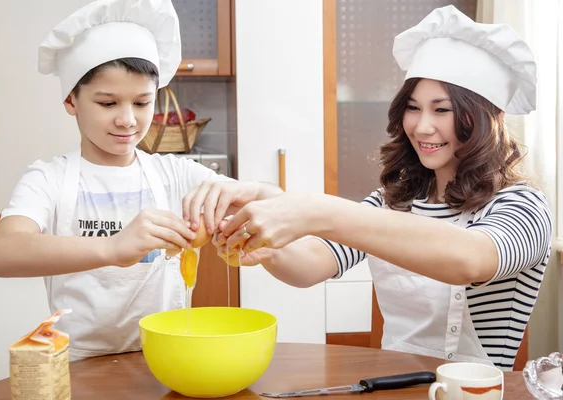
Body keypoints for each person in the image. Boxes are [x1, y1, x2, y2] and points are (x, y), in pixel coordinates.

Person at [184, 5, 554, 371]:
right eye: (413, 108)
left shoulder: (522, 206)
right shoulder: (394, 201)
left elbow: (470, 260)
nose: (422, 127)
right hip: (391, 387)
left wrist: (314, 209)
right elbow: (311, 265)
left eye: (441, 110)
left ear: (491, 117)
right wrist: (265, 244)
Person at [0, 0, 280, 361]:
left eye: (142, 103)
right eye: (108, 104)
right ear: (71, 101)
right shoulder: (49, 178)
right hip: (79, 366)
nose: (127, 120)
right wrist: (113, 247)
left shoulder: (176, 174)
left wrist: (244, 194)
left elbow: (276, 202)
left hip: (166, 358)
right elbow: (1, 254)